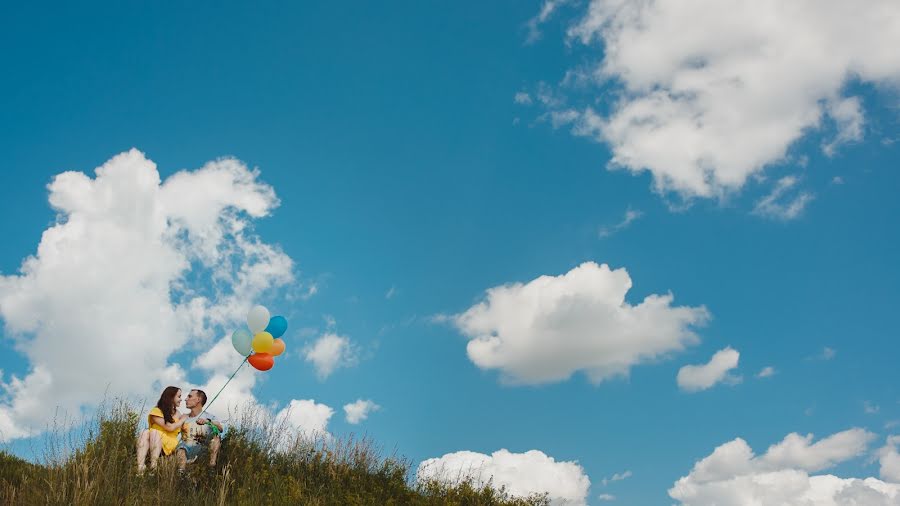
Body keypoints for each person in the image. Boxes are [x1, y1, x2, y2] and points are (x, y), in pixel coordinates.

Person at [136, 386, 185, 473]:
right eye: (179, 396)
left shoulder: (178, 414)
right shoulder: (157, 410)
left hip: (169, 441)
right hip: (152, 439)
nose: (181, 399)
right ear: (171, 397)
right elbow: (169, 427)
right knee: (145, 432)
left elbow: (180, 429)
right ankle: (140, 467)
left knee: (153, 432)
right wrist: (181, 421)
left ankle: (153, 466)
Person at [176, 389, 223, 471]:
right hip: (185, 450)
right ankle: (181, 474)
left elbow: (220, 428)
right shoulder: (183, 417)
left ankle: (211, 468)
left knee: (216, 437)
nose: (186, 399)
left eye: (189, 396)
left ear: (198, 400)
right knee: (181, 449)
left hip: (203, 451)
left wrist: (207, 422)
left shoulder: (209, 417)